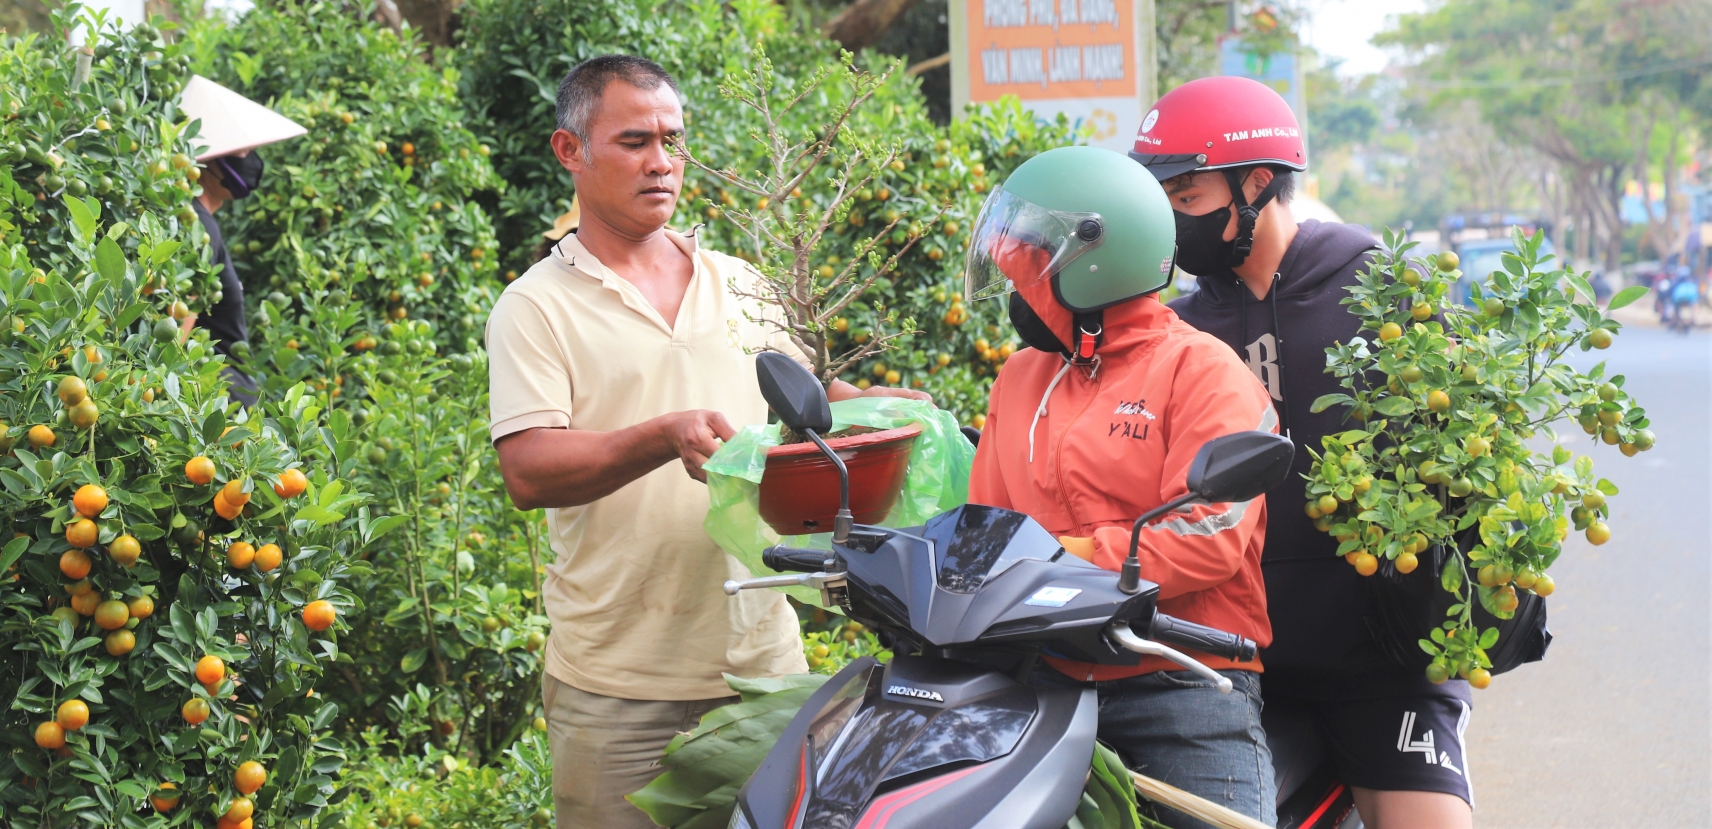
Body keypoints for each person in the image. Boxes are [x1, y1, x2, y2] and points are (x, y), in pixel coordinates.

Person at [487, 55, 925, 829]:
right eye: (633, 141)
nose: (662, 162)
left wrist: (875, 410)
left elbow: (805, 411)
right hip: (617, 685)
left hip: (763, 670)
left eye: (674, 140)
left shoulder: (743, 283)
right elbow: (528, 469)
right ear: (570, 150)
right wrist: (661, 435)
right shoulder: (535, 308)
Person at [1131, 76, 1476, 829]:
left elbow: (1470, 459)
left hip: (1380, 667)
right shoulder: (1174, 329)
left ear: (1256, 184)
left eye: (1185, 198)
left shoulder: (1386, 292)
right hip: (1227, 663)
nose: (1171, 223)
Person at [963, 145, 1280, 829]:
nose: (1019, 287)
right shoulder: (1021, 377)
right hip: (1047, 679)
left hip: (1180, 679)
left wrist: (1057, 555)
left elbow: (1208, 537)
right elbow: (982, 527)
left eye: (1032, 267)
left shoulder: (1204, 372)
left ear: (1098, 258)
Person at [177, 75, 307, 405]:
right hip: (215, 399)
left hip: (226, 394)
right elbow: (179, 324)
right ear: (209, 159)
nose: (250, 158)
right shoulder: (196, 226)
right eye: (241, 150)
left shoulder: (201, 220)